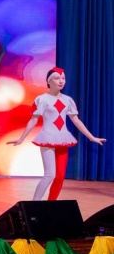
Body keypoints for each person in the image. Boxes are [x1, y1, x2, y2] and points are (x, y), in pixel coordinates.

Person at [7, 67, 106, 200]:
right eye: (57, 78)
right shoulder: (42, 99)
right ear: (49, 81)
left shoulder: (68, 100)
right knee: (50, 175)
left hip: (62, 139)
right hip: (47, 138)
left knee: (59, 177)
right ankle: (34, 204)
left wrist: (91, 137)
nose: (61, 81)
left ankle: (51, 204)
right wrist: (21, 138)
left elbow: (76, 120)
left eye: (63, 78)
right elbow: (34, 120)